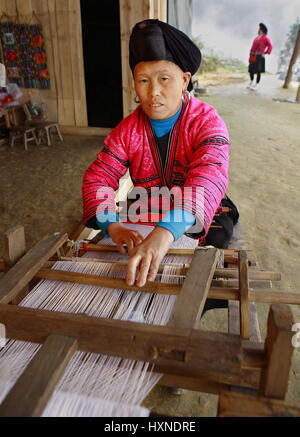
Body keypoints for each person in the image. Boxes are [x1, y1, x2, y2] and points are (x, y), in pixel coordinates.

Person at [82, 19, 237, 290]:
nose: (153, 92)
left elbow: (208, 177)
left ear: (185, 80)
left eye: (164, 79)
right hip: (147, 208)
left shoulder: (207, 122)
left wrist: (166, 232)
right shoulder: (127, 130)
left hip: (201, 213)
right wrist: (112, 226)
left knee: (207, 273)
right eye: (143, 80)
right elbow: (98, 178)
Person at [248, 22, 273, 90]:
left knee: (258, 70)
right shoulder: (256, 38)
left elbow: (270, 46)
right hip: (253, 55)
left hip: (259, 56)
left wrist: (265, 53)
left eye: (259, 29)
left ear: (262, 30)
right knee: (251, 70)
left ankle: (257, 84)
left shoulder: (266, 38)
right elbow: (253, 46)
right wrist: (250, 53)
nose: (258, 30)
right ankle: (251, 81)